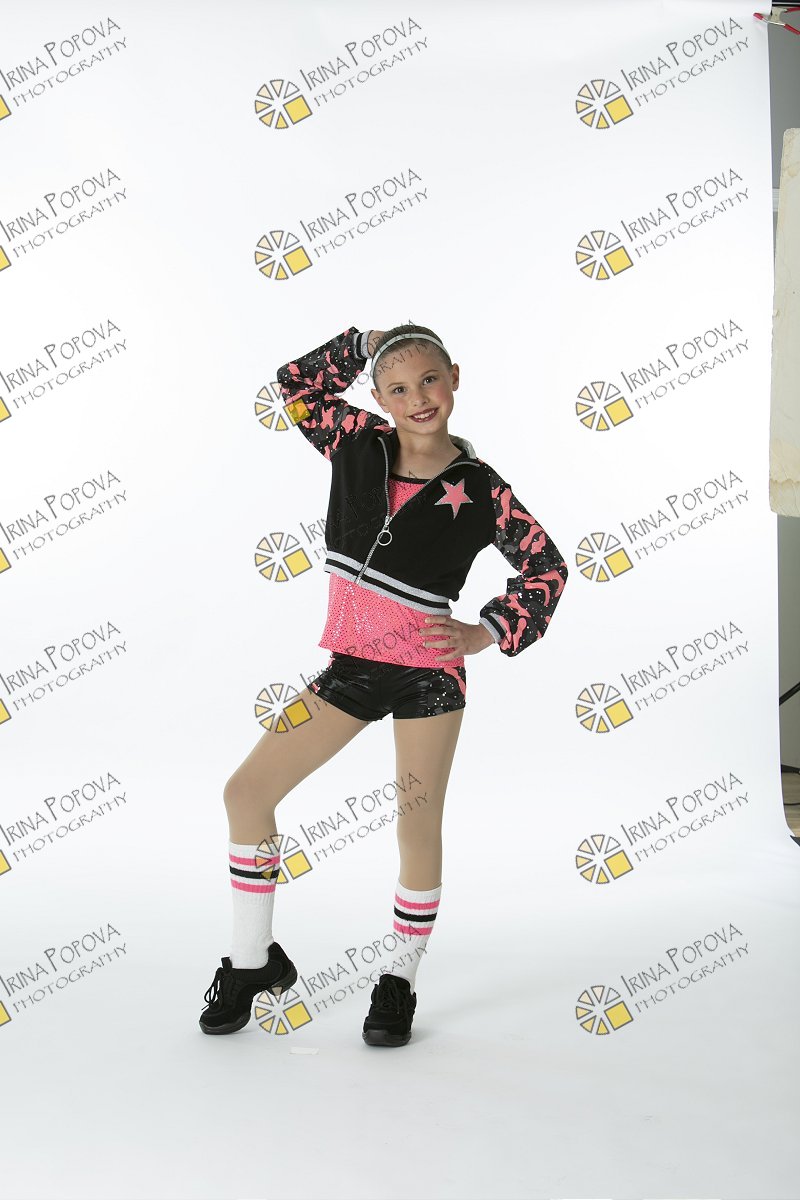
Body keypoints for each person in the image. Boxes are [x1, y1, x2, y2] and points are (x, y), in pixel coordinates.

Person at [198, 322, 569, 1046]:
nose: (417, 398)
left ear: (454, 378)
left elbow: (546, 567)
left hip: (429, 677)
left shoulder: (482, 488)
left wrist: (487, 630)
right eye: (397, 388)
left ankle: (398, 979)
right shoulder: (355, 442)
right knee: (246, 793)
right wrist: (364, 343)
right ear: (377, 396)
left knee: (415, 823)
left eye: (429, 380)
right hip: (352, 669)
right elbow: (295, 387)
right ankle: (252, 961)